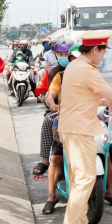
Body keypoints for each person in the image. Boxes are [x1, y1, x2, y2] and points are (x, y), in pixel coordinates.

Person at [57, 31, 112, 224]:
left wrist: (105, 102)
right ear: (94, 50)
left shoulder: (75, 66)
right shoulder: (88, 69)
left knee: (78, 178)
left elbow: (85, 96)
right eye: (102, 52)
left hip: (71, 126)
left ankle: (81, 221)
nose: (103, 57)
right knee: (85, 178)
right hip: (79, 129)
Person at [34, 40, 73, 178]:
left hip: (81, 110)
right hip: (59, 110)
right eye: (60, 54)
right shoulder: (55, 74)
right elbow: (50, 95)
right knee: (48, 122)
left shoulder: (84, 71)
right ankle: (45, 160)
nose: (64, 57)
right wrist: (52, 105)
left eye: (66, 54)